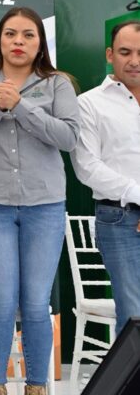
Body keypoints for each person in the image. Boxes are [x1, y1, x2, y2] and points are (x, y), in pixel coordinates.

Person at [0, 7, 79, 395]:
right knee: (2, 302)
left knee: (37, 303)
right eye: (11, 34)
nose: (18, 42)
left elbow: (69, 138)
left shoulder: (57, 84)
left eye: (27, 35)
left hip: (44, 205)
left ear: (40, 42)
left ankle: (36, 386)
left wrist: (21, 107)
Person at [70, 20, 140, 333]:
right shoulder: (89, 103)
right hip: (120, 218)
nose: (134, 60)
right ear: (110, 54)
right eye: (125, 52)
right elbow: (87, 166)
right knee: (133, 314)